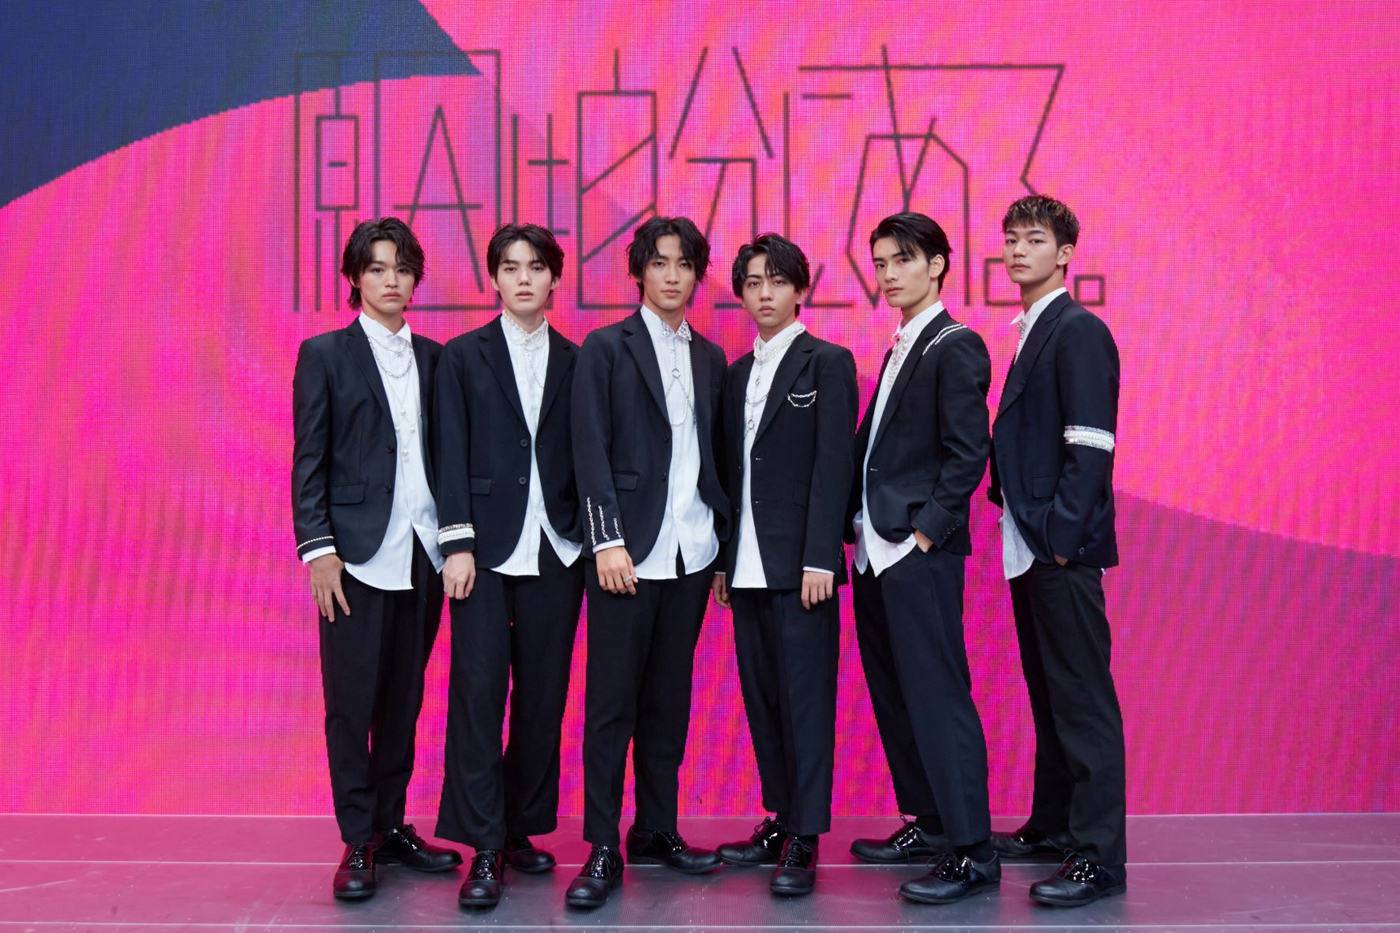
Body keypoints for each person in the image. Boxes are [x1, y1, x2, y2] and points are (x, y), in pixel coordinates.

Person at [291, 217, 460, 901]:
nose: (391, 280)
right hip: (354, 558)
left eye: (402, 268)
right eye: (377, 268)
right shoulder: (324, 354)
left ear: (415, 278)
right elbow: (309, 460)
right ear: (355, 277)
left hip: (424, 554)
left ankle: (389, 825)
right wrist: (319, 551)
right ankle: (357, 837)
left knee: (403, 700)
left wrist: (454, 541)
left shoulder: (437, 359)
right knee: (351, 704)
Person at [565, 216, 730, 908]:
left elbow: (718, 462)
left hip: (692, 552)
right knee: (612, 704)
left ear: (697, 275)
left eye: (684, 264)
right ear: (638, 271)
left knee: (669, 701)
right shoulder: (605, 348)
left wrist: (722, 550)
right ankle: (602, 843)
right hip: (624, 554)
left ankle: (656, 828)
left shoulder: (712, 359)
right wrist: (605, 540)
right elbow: (588, 448)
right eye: (659, 262)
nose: (672, 275)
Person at [845, 212, 998, 904]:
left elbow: (968, 452)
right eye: (880, 263)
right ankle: (931, 824)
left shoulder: (954, 344)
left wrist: (926, 535)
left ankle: (972, 851)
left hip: (915, 551)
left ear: (936, 265)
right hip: (874, 552)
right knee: (897, 694)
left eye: (902, 259)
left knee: (938, 696)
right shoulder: (900, 345)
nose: (888, 274)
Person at [433, 223, 584, 908]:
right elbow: (448, 452)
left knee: (543, 697)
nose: (524, 278)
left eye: (536, 267)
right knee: (479, 694)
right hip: (484, 552)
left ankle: (519, 825)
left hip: (557, 547)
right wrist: (457, 543)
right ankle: (485, 846)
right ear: (493, 277)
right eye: (511, 267)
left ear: (554, 277)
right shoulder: (462, 357)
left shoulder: (579, 360)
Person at [989, 194, 1127, 906]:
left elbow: (1092, 445)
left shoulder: (1078, 330)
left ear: (1066, 253)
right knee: (1048, 695)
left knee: (1081, 702)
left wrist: (1061, 540)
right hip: (1028, 546)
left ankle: (1098, 857)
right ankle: (1052, 825)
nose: (1019, 250)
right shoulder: (1030, 329)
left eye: (1035, 239)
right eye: (1012, 239)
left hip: (1056, 549)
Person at [711, 234, 857, 896]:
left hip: (803, 568)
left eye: (777, 280)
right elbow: (728, 472)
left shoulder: (828, 362)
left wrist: (822, 554)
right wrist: (722, 561)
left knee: (805, 701)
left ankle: (806, 833)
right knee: (763, 697)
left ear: (801, 289)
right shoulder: (735, 373)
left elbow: (835, 466)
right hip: (743, 564)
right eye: (752, 282)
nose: (764, 293)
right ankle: (779, 816)